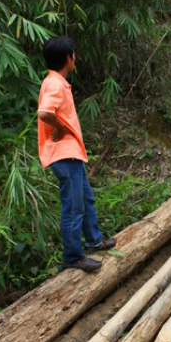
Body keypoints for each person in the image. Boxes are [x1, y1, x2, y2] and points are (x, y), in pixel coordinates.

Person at [37, 36, 116, 273]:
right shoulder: (54, 84)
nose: (76, 57)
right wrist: (60, 127)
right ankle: (73, 256)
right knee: (73, 206)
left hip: (72, 154)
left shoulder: (57, 82)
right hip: (64, 155)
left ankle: (94, 239)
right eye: (74, 53)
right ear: (68, 58)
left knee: (86, 199)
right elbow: (44, 112)